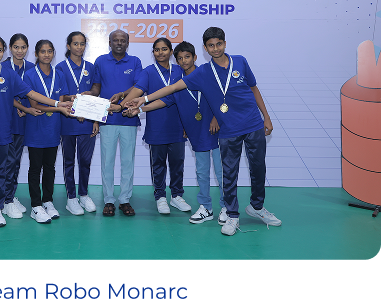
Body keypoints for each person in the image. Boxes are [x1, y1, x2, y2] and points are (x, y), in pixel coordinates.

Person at [125, 27, 280, 236]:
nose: (215, 49)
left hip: (251, 124)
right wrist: (143, 100)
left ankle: (256, 207)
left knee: (258, 169)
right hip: (225, 131)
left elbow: (253, 88)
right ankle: (230, 213)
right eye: (211, 46)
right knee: (226, 174)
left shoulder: (240, 61)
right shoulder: (203, 73)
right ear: (205, 49)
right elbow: (171, 90)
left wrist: (266, 116)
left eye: (219, 44)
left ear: (224, 44)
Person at [0, 36, 72, 229]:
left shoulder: (9, 75)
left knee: (1, 173)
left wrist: (57, 103)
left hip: (4, 134)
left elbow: (31, 94)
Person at [125, 41, 226, 224]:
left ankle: (227, 207)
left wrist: (216, 118)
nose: (184, 61)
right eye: (180, 58)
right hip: (197, 133)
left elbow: (221, 95)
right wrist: (139, 108)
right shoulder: (177, 82)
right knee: (202, 172)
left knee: (221, 172)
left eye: (187, 57)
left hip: (215, 129)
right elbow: (165, 99)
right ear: (176, 60)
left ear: (195, 57)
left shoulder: (206, 73)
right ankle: (206, 207)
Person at [119, 38, 191, 215]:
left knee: (177, 163)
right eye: (157, 50)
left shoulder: (180, 71)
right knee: (158, 164)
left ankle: (176, 196)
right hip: (156, 126)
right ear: (153, 53)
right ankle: (160, 197)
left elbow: (181, 96)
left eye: (164, 49)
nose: (160, 52)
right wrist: (120, 106)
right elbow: (137, 90)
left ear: (171, 52)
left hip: (177, 125)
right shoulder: (148, 71)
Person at [90, 29, 142, 217]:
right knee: (107, 162)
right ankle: (109, 200)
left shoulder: (135, 62)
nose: (119, 43)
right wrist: (88, 97)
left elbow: (139, 87)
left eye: (122, 40)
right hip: (107, 119)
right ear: (109, 42)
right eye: (115, 40)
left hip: (128, 118)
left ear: (127, 43)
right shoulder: (100, 61)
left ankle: (125, 199)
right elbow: (96, 88)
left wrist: (121, 95)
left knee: (128, 162)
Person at [23, 40, 71, 223]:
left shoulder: (59, 74)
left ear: (54, 53)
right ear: (36, 54)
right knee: (35, 167)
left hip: (53, 128)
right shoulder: (29, 75)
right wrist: (59, 107)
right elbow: (34, 104)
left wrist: (63, 106)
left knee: (50, 167)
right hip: (36, 128)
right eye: (42, 51)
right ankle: (35, 205)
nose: (46, 55)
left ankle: (48, 201)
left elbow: (61, 100)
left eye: (50, 51)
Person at [56, 31, 99, 215]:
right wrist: (73, 100)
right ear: (68, 46)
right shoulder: (60, 67)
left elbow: (96, 93)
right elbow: (59, 96)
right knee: (69, 161)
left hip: (87, 121)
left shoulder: (90, 66)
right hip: (68, 121)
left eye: (82, 44)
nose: (79, 47)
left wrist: (95, 119)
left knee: (85, 161)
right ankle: (71, 198)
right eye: (75, 44)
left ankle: (83, 194)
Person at [1, 33, 40, 219]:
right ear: (10, 48)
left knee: (15, 161)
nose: (19, 51)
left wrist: (27, 109)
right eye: (16, 47)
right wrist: (23, 107)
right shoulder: (1, 67)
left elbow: (35, 93)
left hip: (25, 121)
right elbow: (4, 94)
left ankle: (10, 195)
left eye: (23, 47)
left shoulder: (32, 68)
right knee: (7, 162)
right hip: (5, 120)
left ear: (27, 49)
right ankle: (5, 200)